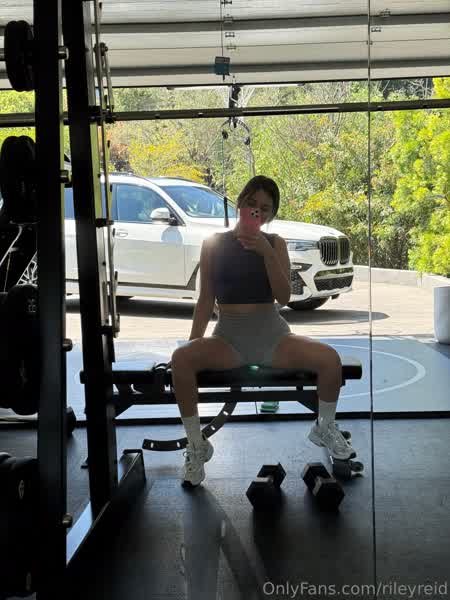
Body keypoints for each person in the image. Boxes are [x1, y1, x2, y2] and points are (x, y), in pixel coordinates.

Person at [171, 175, 356, 487]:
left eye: (265, 208)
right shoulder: (213, 243)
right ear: (241, 202)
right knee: (180, 359)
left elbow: (283, 297)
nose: (256, 210)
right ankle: (196, 445)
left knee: (329, 359)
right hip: (228, 338)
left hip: (273, 336)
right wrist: (193, 345)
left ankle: (324, 427)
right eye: (251, 203)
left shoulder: (275, 243)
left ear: (271, 214)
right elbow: (205, 300)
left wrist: (266, 254)